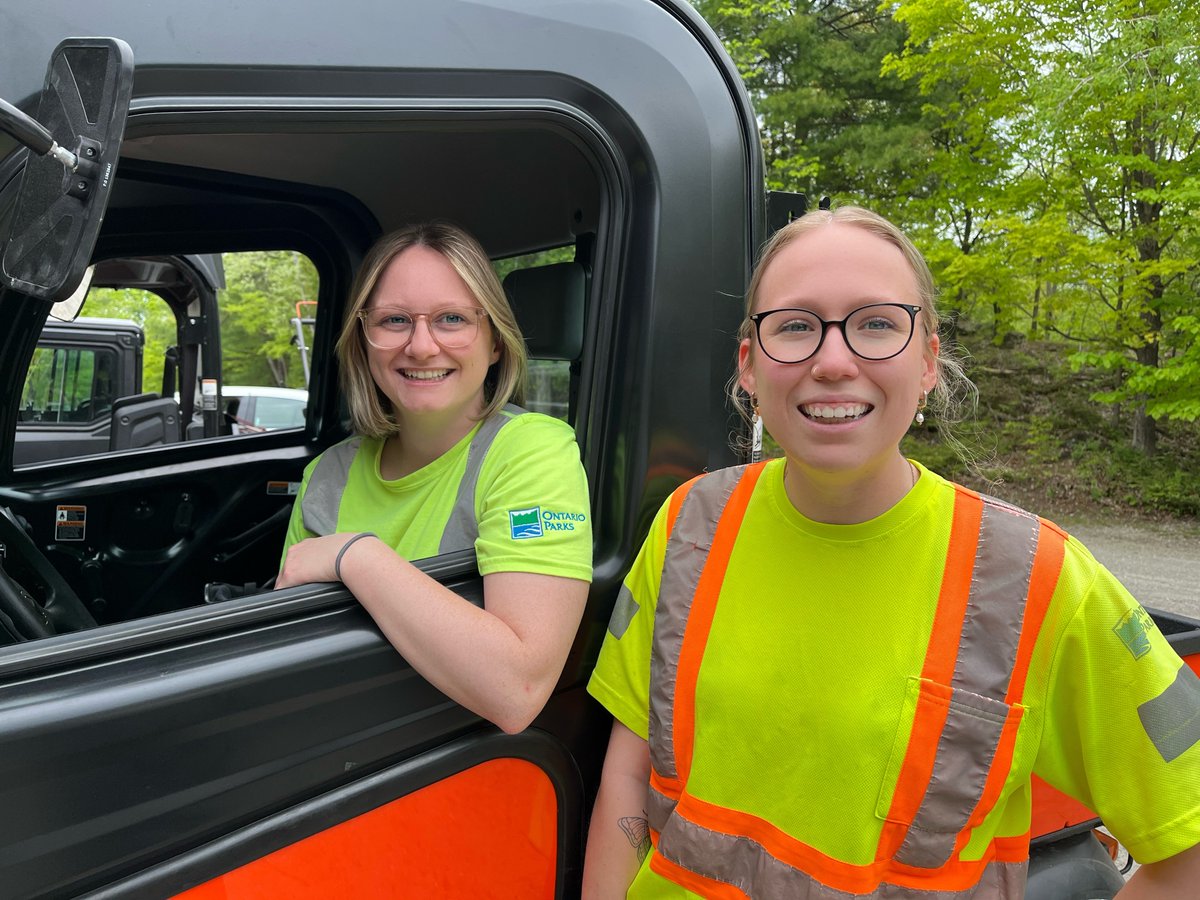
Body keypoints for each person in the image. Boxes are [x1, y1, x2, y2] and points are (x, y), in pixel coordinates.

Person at [583, 206, 1200, 897]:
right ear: (750, 367)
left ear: (928, 360)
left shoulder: (1039, 580)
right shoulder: (691, 524)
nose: (834, 361)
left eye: (876, 324)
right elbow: (629, 778)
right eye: (795, 326)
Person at [277, 222, 592, 735]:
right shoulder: (326, 475)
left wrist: (356, 555)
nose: (421, 347)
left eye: (451, 319)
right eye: (395, 320)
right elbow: (287, 655)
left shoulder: (531, 449)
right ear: (363, 341)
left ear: (494, 342)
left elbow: (519, 690)